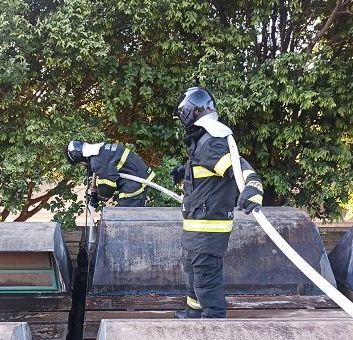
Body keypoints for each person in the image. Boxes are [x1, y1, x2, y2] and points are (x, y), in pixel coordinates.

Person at [170, 86, 263, 319]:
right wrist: (185, 171)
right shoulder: (202, 140)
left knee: (205, 279)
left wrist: (253, 186)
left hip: (207, 229)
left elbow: (237, 166)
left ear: (189, 112)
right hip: (197, 227)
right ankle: (193, 313)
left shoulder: (210, 141)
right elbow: (209, 169)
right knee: (192, 273)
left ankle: (213, 326)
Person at [65, 140, 154, 207]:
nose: (82, 166)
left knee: (124, 218)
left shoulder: (97, 161)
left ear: (79, 157)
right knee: (131, 216)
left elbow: (107, 189)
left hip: (134, 181)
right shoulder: (99, 151)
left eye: (79, 163)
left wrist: (98, 196)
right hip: (139, 174)